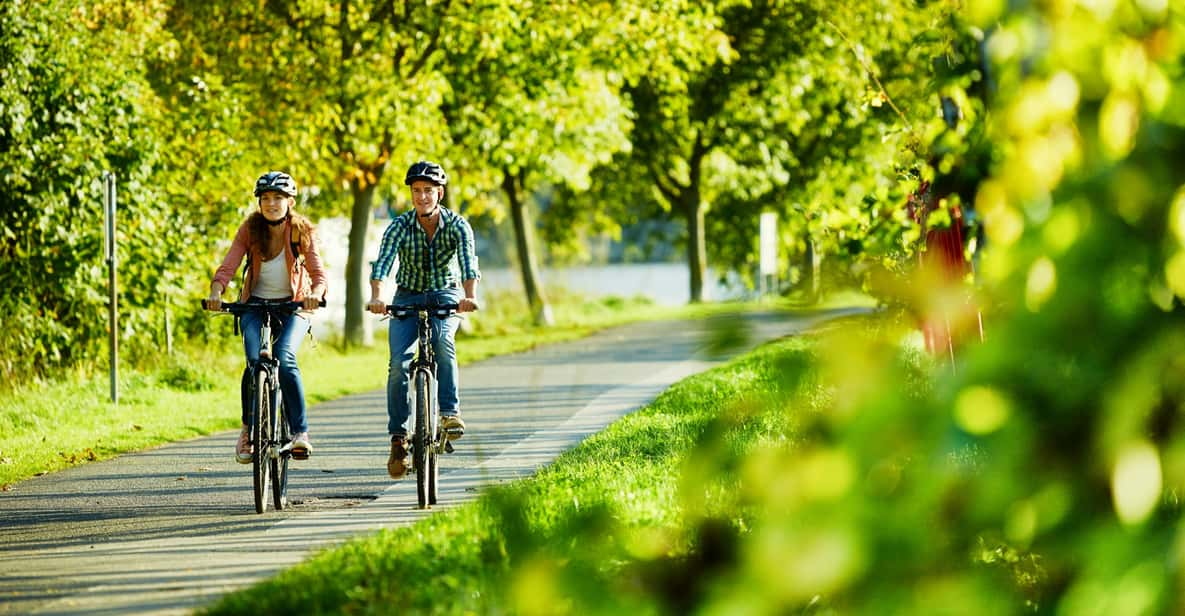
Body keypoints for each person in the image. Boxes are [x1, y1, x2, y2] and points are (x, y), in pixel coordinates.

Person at [367, 160, 481, 479]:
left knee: (443, 342)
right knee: (398, 365)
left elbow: (468, 263)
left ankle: (448, 413)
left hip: (446, 293)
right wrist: (378, 296)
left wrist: (469, 296)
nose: (422, 197)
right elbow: (383, 263)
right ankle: (399, 440)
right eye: (416, 191)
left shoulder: (458, 225)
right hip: (406, 295)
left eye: (428, 191)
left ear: (439, 193)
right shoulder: (400, 226)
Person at [206, 171, 328, 462]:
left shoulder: (302, 231)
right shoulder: (250, 228)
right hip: (255, 306)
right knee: (253, 362)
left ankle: (300, 433)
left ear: (290, 201)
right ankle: (248, 430)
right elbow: (229, 264)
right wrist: (216, 291)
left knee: (285, 358)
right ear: (259, 202)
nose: (271, 204)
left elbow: (318, 274)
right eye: (266, 198)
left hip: (294, 306)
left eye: (278, 198)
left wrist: (316, 293)